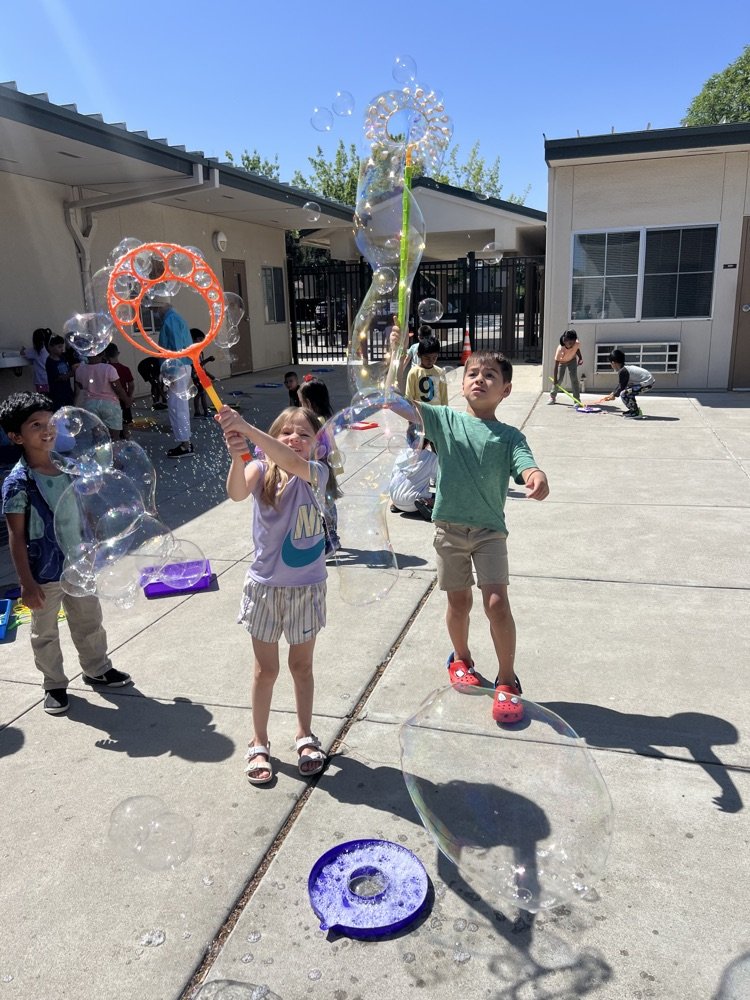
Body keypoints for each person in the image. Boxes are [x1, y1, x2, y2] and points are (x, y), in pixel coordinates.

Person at [390, 326, 550, 724]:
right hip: (449, 529)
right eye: (473, 374)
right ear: (462, 385)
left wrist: (535, 476)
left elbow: (525, 464)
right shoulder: (443, 420)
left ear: (506, 390)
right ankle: (460, 658)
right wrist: (396, 354)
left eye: (490, 375)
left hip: (489, 531)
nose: (480, 379)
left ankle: (508, 680)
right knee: (457, 601)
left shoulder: (510, 436)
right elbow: (394, 401)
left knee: (496, 603)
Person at [215, 403, 340, 785]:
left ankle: (305, 734)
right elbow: (236, 492)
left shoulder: (317, 473)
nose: (295, 439)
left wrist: (249, 430)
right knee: (265, 670)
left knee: (301, 668)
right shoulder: (260, 469)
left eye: (305, 434)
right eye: (287, 432)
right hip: (265, 589)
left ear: (317, 445)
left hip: (306, 589)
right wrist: (240, 453)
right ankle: (259, 741)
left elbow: (287, 458)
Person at [0, 391, 132, 715]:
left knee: (89, 620)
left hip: (78, 563)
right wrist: (26, 583)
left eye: (50, 423)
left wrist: (92, 541)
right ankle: (54, 684)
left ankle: (97, 668)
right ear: (16, 436)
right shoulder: (18, 483)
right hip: (43, 574)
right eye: (35, 426)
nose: (47, 431)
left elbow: (81, 508)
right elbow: (16, 537)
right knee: (44, 631)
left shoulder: (69, 468)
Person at [298, 375, 341, 555]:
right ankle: (332, 537)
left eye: (301, 402)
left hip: (320, 468)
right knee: (327, 501)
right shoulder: (325, 418)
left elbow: (319, 446)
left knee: (322, 504)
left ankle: (329, 539)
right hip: (326, 467)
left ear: (308, 402)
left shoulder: (316, 421)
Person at [153, 301, 194, 457]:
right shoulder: (174, 318)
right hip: (179, 367)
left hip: (177, 368)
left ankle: (185, 445)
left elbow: (176, 347)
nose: (155, 312)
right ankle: (185, 442)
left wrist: (172, 373)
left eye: (155, 308)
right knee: (178, 406)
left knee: (178, 407)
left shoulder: (171, 319)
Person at [76, 349, 131, 439]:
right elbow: (117, 388)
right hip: (109, 404)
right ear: (103, 354)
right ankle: (113, 451)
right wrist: (126, 400)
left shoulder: (80, 369)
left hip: (90, 404)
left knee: (97, 437)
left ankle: (99, 452)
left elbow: (80, 385)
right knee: (114, 437)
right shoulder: (109, 368)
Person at [389, 441, 438, 519]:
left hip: (395, 499)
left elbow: (393, 477)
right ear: (428, 442)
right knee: (440, 496)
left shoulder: (401, 455)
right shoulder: (431, 457)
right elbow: (437, 479)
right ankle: (425, 502)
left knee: (404, 487)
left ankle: (397, 505)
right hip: (413, 503)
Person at [602, 349, 655, 418]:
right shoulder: (624, 369)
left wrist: (614, 395)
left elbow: (621, 386)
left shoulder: (623, 371)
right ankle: (634, 410)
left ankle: (635, 412)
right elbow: (621, 384)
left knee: (624, 393)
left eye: (610, 363)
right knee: (628, 391)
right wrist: (613, 393)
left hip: (647, 383)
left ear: (613, 363)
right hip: (647, 382)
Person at [405, 334, 449, 407]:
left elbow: (444, 396)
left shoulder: (440, 372)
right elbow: (409, 396)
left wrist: (446, 413)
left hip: (437, 413)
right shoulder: (413, 373)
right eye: (427, 358)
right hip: (421, 413)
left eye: (434, 357)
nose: (431, 361)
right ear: (419, 355)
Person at [103, 344, 135, 439]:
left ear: (104, 355)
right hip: (123, 400)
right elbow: (131, 385)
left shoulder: (105, 369)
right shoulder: (125, 369)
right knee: (126, 424)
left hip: (110, 401)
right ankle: (127, 442)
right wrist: (128, 396)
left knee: (112, 426)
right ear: (118, 353)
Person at [548, 330, 583, 404]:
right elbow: (556, 365)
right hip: (562, 362)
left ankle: (577, 400)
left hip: (572, 360)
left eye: (573, 343)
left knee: (574, 379)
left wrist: (580, 358)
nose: (572, 345)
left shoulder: (576, 343)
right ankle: (552, 397)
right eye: (570, 343)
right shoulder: (560, 349)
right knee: (559, 379)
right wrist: (554, 379)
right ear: (565, 341)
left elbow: (577, 349)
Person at [189, 328, 216, 418]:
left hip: (200, 375)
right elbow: (198, 366)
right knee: (202, 393)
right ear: (193, 339)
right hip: (196, 376)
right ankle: (204, 412)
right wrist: (208, 360)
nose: (202, 342)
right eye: (200, 339)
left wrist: (210, 376)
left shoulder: (200, 351)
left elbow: (202, 368)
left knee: (200, 394)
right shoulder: (193, 352)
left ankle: (199, 412)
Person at [44, 336, 75, 410]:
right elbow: (58, 377)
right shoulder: (50, 362)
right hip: (57, 394)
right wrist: (71, 373)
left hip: (67, 392)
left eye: (62, 347)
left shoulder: (62, 358)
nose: (62, 349)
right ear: (50, 347)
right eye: (59, 347)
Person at [21, 327, 51, 393]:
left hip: (40, 381)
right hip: (49, 380)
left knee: (41, 399)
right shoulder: (49, 350)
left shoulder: (34, 351)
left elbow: (22, 353)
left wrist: (23, 349)